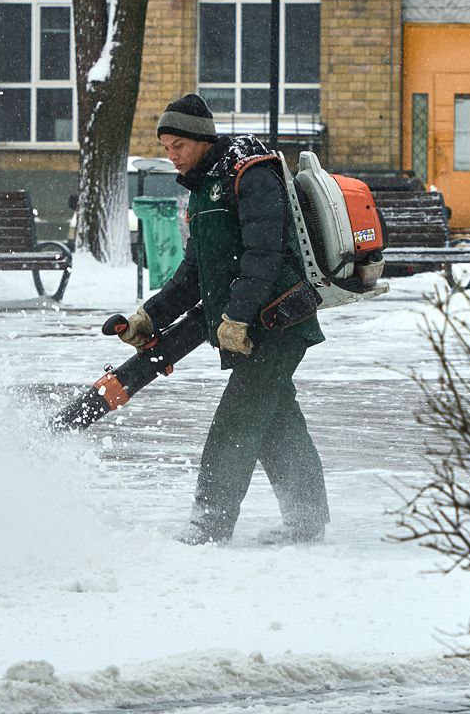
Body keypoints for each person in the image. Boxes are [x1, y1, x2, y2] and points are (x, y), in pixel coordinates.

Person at [117, 93, 330, 545]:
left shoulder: (248, 172)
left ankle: (209, 522)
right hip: (248, 327)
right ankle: (307, 518)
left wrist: (236, 316)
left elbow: (264, 253)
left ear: (200, 139)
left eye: (177, 146)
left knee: (237, 419)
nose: (170, 156)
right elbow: (195, 272)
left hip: (278, 320)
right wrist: (149, 317)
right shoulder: (202, 191)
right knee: (274, 419)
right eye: (165, 146)